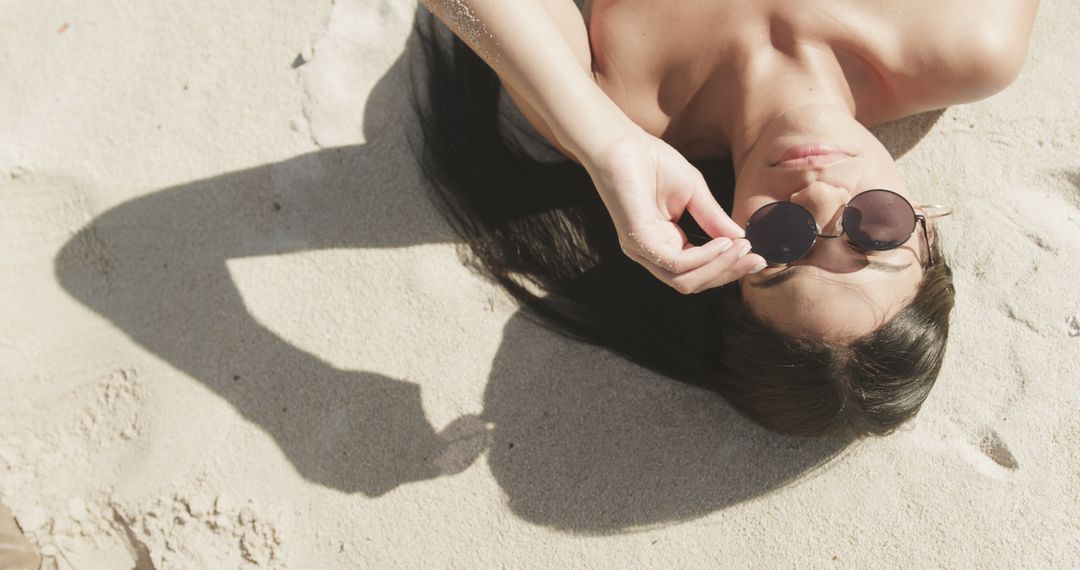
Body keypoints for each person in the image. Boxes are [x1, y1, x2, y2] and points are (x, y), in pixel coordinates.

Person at [412, 0, 1039, 437]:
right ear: (926, 226)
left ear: (725, 257)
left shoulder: (619, 103)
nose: (819, 197)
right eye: (873, 231)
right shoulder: (969, 42)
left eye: (784, 246)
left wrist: (599, 141)